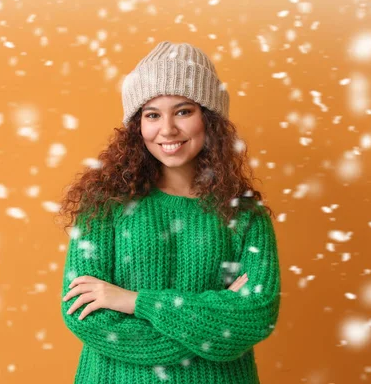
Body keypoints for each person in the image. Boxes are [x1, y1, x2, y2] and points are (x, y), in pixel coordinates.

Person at [58, 41, 281, 384]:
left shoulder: (245, 215)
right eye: (152, 115)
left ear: (210, 119)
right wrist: (209, 323)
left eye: (183, 111)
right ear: (137, 126)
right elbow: (85, 317)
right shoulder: (104, 205)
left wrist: (136, 302)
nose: (167, 130)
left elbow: (255, 315)